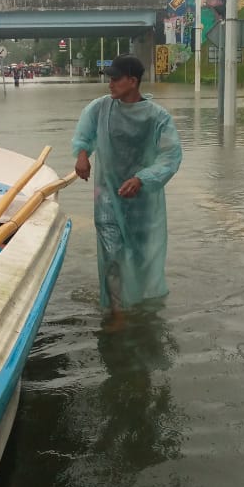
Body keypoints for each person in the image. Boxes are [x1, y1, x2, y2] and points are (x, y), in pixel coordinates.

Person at [72, 53, 182, 324]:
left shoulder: (158, 118)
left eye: (116, 78)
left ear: (133, 81)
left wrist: (142, 178)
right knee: (111, 253)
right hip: (107, 195)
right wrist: (83, 155)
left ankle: (142, 308)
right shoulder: (100, 109)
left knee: (142, 256)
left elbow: (170, 156)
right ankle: (118, 313)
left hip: (142, 201)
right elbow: (84, 136)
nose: (110, 84)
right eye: (109, 78)